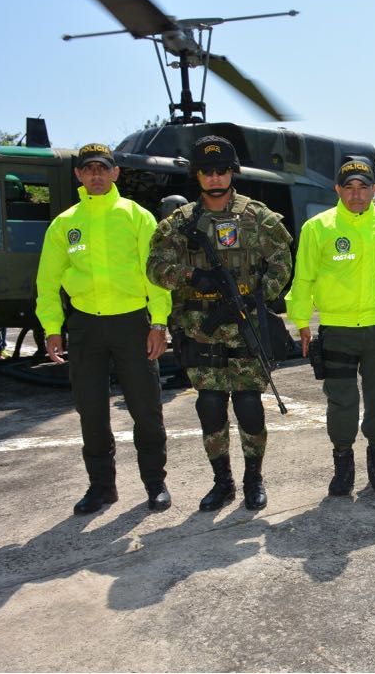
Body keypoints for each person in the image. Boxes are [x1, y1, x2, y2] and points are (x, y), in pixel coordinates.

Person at [147, 136, 293, 512]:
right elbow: (155, 268)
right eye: (207, 171)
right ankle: (222, 482)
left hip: (246, 325)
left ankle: (253, 479)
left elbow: (282, 261)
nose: (214, 178)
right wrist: (193, 277)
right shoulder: (180, 223)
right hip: (201, 327)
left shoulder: (256, 216)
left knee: (248, 405)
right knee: (210, 406)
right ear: (197, 175)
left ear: (232, 172)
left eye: (221, 170)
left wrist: (257, 295)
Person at [35, 143, 172, 515]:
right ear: (78, 175)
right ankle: (101, 488)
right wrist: (52, 326)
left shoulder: (136, 216)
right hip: (85, 327)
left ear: (115, 173)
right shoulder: (65, 224)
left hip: (132, 323)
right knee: (91, 411)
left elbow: (156, 276)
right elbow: (47, 282)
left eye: (103, 168)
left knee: (146, 409)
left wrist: (159, 322)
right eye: (88, 168)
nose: (96, 174)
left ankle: (155, 484)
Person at [286, 157, 375, 496]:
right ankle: (343, 465)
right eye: (349, 188)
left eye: (363, 188)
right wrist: (302, 322)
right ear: (337, 189)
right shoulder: (318, 227)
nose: (356, 195)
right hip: (337, 329)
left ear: (374, 190)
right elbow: (304, 277)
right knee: (341, 400)